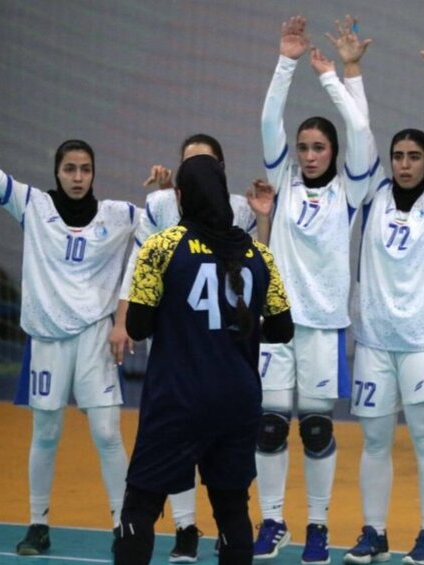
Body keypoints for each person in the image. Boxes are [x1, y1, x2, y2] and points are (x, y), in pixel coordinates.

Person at [0, 90, 136, 556]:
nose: (77, 177)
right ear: (57, 172)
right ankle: (38, 524)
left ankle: (124, 525)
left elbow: (159, 228)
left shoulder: (117, 215)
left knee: (106, 433)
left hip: (96, 336)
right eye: (70, 169)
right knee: (47, 432)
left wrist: (164, 190)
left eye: (85, 169)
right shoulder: (33, 206)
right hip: (47, 338)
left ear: (94, 173)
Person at [114, 154, 294, 565]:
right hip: (238, 400)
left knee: (140, 504)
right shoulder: (258, 255)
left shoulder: (161, 248)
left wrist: (183, 322)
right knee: (232, 509)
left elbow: (138, 326)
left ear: (181, 196)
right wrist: (238, 331)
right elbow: (283, 329)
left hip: (178, 398)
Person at [254, 15, 373, 563]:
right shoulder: (283, 181)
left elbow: (362, 133)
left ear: (332, 151)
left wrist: (331, 77)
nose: (308, 154)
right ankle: (272, 520)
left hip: (324, 325)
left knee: (318, 429)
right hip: (276, 323)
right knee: (270, 427)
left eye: (318, 147)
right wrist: (286, 62)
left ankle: (319, 526)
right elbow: (268, 120)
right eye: (303, 146)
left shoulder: (351, 190)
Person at [342, 24, 424, 565]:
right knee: (374, 441)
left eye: (414, 156)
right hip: (373, 341)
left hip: (422, 342)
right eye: (399, 155)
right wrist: (351, 70)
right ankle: (374, 532)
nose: (404, 163)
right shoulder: (371, 193)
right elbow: (358, 131)